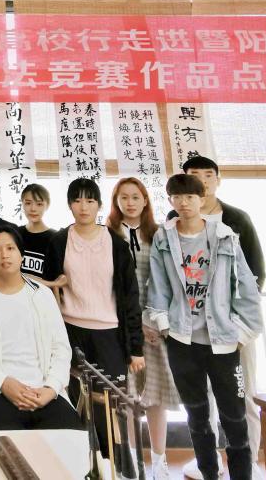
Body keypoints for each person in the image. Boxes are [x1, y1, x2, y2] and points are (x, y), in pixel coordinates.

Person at [148, 174, 263, 480]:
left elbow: (246, 286)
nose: (183, 203)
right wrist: (164, 326)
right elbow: (158, 287)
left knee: (234, 418)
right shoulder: (164, 238)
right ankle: (209, 473)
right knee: (197, 418)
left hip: (223, 341)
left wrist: (242, 333)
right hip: (182, 341)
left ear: (202, 199)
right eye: (177, 197)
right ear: (170, 200)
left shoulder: (225, 236)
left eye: (190, 197)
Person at [45, 177, 144, 463]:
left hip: (109, 333)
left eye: (90, 200)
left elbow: (130, 297)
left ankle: (118, 466)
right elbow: (49, 291)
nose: (83, 207)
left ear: (99, 205)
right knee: (78, 403)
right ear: (69, 205)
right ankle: (84, 465)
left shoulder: (116, 243)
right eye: (77, 200)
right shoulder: (59, 241)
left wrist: (135, 348)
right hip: (70, 331)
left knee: (112, 405)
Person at [0, 227, 82, 431]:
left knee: (70, 439)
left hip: (44, 390)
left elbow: (61, 348)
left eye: (10, 248)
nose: (4, 255)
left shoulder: (42, 295)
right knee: (0, 445)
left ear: (21, 255)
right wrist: (3, 382)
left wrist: (51, 388)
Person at [107, 177, 179, 480]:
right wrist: (130, 324)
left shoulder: (158, 234)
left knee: (156, 397)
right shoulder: (108, 234)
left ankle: (160, 461)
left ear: (145, 200)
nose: (130, 202)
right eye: (124, 197)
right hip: (120, 326)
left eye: (135, 197)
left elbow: (166, 283)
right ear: (116, 201)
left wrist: (152, 322)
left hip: (153, 327)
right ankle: (132, 462)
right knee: (126, 398)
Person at [16, 183, 56, 279]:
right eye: (28, 203)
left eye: (39, 204)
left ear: (47, 205)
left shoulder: (56, 238)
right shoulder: (15, 233)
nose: (33, 209)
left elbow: (56, 278)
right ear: (22, 204)